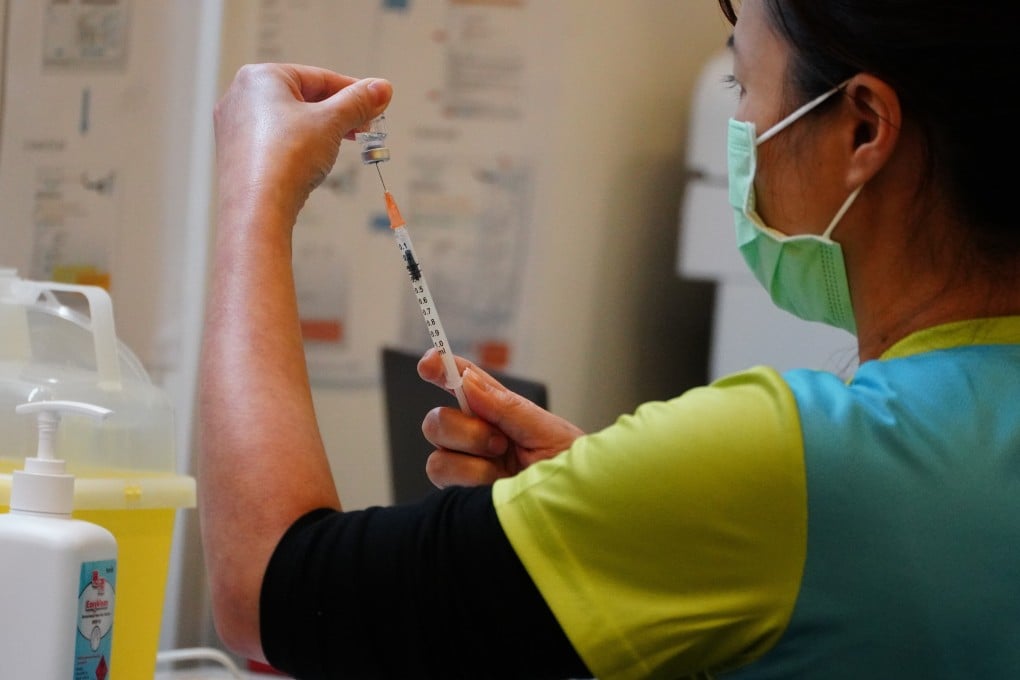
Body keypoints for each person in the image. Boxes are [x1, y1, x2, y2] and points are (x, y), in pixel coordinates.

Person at [198, 0, 1020, 677]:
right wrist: (630, 519)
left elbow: (267, 593)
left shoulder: (786, 459)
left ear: (862, 130)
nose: (741, 120)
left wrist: (252, 189)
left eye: (744, 81)